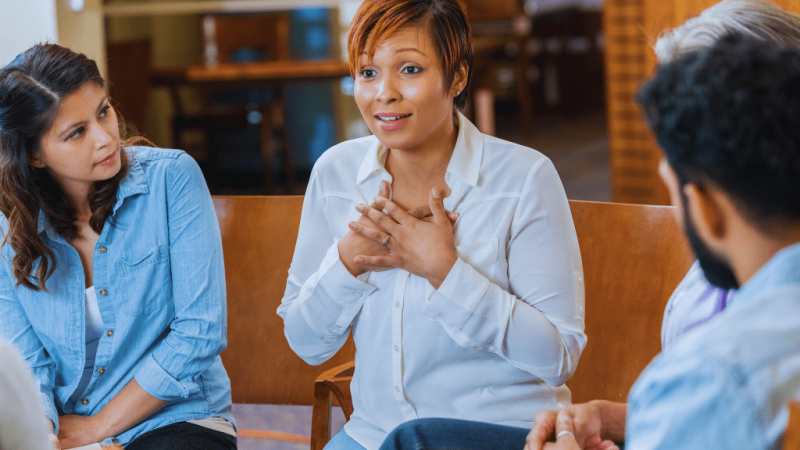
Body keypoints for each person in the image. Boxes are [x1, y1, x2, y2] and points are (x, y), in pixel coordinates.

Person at [373, 2, 800, 449]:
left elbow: (703, 403)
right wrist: (607, 416)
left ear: (706, 209)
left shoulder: (712, 373)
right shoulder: (712, 355)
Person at [277, 0, 586, 449]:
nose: (384, 92)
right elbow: (306, 344)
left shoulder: (524, 178)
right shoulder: (336, 173)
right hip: (371, 435)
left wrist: (446, 271)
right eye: (367, 72)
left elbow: (557, 357)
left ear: (457, 76)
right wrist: (348, 261)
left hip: (500, 435)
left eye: (409, 69)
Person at [0, 44, 236, 449]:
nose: (105, 138)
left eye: (103, 111)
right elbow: (27, 360)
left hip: (176, 417)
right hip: (68, 424)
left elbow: (200, 334)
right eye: (76, 132)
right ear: (35, 155)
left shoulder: (172, 179)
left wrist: (100, 427)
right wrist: (45, 436)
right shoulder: (10, 227)